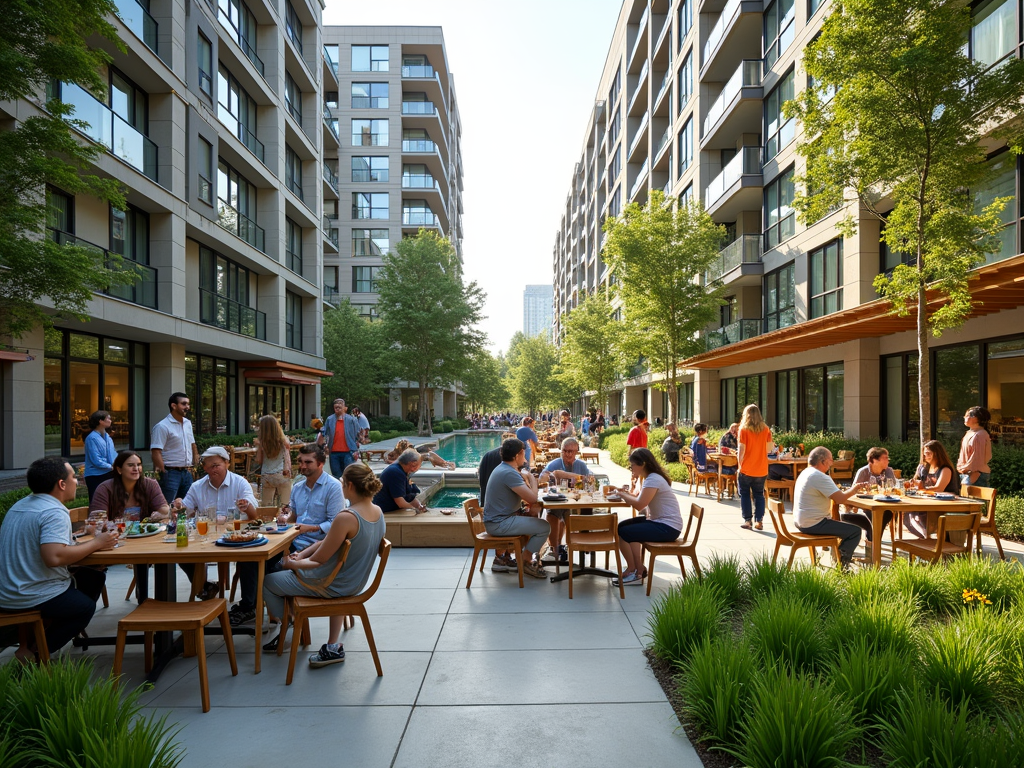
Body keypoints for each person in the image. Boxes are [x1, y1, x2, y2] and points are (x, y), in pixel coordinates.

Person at [263, 462, 386, 667]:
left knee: (268, 580)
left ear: (350, 486)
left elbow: (319, 560)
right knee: (286, 569)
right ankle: (323, 640)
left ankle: (290, 623)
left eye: (343, 483)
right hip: (352, 581)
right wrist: (301, 555)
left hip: (332, 584)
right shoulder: (377, 512)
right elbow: (325, 543)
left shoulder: (346, 517)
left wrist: (291, 564)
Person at [0, 457, 117, 661]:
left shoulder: (20, 505)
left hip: (7, 591)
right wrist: (98, 543)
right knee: (84, 608)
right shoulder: (54, 511)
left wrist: (82, 535)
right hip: (31, 594)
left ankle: (34, 640)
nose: (78, 482)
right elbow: (54, 557)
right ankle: (37, 653)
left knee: (93, 578)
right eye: (74, 477)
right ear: (61, 484)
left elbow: (42, 545)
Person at [237, 444, 345, 629]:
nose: (302, 466)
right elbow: (294, 517)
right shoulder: (298, 486)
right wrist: (285, 518)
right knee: (249, 560)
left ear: (320, 463)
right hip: (292, 542)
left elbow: (336, 524)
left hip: (315, 547)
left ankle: (289, 619)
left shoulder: (333, 487)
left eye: (308, 462)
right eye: (300, 462)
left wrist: (308, 528)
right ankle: (252, 608)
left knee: (267, 571)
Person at [176, 447, 258, 623]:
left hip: (236, 536)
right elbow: (185, 511)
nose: (213, 470)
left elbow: (254, 515)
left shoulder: (239, 482)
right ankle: (204, 586)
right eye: (208, 466)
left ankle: (249, 606)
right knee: (180, 552)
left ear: (227, 463)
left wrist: (246, 506)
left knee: (250, 556)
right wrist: (177, 508)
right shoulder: (197, 486)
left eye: (217, 465)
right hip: (207, 537)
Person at [614, 448, 683, 587]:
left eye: (633, 465)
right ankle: (638, 568)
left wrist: (621, 495)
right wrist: (624, 493)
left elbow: (640, 505)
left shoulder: (653, 479)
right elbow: (639, 499)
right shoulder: (650, 478)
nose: (631, 468)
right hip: (659, 522)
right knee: (622, 527)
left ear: (643, 464)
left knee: (625, 532)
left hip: (667, 527)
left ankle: (635, 570)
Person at [483, 438, 549, 579]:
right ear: (517, 455)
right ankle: (525, 560)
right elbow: (532, 498)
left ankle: (522, 557)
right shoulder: (508, 473)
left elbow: (526, 497)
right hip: (499, 524)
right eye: (524, 454)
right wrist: (531, 477)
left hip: (498, 520)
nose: (525, 457)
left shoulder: (505, 469)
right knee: (544, 527)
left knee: (533, 514)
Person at [794, 448, 868, 568]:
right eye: (831, 460)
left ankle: (838, 559)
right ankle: (841, 565)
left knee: (842, 526)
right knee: (855, 532)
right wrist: (854, 490)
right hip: (813, 524)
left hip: (801, 521)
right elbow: (840, 499)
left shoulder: (806, 472)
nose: (832, 463)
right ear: (823, 461)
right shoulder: (819, 476)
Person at [539, 437, 592, 563]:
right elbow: (541, 480)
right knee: (553, 512)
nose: (568, 454)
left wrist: (564, 475)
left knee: (584, 511)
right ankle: (555, 549)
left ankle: (583, 544)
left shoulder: (581, 465)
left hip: (577, 502)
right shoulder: (554, 464)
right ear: (561, 451)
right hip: (559, 501)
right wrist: (550, 476)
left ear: (576, 452)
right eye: (565, 451)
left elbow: (590, 481)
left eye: (571, 451)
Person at [150, 392, 199, 510]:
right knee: (166, 506)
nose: (187, 407)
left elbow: (192, 443)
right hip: (170, 473)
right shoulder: (162, 426)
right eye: (184, 404)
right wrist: (163, 471)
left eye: (188, 404)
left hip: (186, 473)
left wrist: (195, 464)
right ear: (173, 405)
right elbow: (156, 451)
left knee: (188, 506)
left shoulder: (187, 423)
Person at [905, 440, 961, 539]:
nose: (925, 456)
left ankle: (928, 540)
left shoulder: (945, 469)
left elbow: (939, 488)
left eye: (928, 453)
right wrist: (912, 484)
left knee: (916, 514)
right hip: (929, 502)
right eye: (924, 454)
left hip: (945, 504)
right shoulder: (924, 467)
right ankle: (926, 538)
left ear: (937, 454)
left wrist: (923, 488)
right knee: (907, 516)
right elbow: (916, 481)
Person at [842, 447, 896, 543]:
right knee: (875, 515)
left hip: (883, 504)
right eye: (885, 458)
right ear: (874, 460)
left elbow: (893, 488)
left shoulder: (889, 471)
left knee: (887, 514)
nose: (888, 460)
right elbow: (854, 491)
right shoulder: (863, 472)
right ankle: (874, 542)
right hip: (865, 506)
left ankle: (872, 542)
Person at [478, 446, 516, 573]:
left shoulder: (488, 455)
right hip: (497, 511)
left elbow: (481, 479)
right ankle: (501, 558)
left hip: (486, 502)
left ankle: (505, 557)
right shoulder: (505, 465)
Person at [737, 404, 772, 530]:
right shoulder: (766, 429)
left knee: (745, 494)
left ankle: (747, 521)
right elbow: (769, 449)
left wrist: (739, 465)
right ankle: (759, 521)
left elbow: (741, 450)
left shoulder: (743, 429)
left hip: (746, 468)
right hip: (761, 468)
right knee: (759, 494)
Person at [316, 398, 361, 478]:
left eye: (339, 407)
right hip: (334, 452)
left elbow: (358, 434)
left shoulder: (351, 420)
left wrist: (357, 447)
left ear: (344, 408)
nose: (337, 409)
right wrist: (322, 445)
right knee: (336, 476)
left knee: (349, 475)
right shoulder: (330, 419)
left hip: (349, 452)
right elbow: (324, 432)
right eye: (336, 407)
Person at [255, 414, 292, 507]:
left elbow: (259, 460)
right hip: (281, 474)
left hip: (266, 475)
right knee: (285, 505)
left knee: (266, 506)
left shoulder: (261, 443)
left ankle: (267, 520)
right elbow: (287, 459)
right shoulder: (284, 441)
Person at [374, 449, 426, 513]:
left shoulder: (401, 470)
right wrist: (415, 510)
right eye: (419, 465)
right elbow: (401, 503)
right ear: (413, 464)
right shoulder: (395, 473)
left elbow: (409, 497)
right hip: (385, 512)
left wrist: (419, 506)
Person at [83, 410, 117, 501]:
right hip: (95, 476)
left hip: (109, 473)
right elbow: (96, 459)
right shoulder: (91, 438)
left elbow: (113, 454)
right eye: (108, 418)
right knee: (97, 503)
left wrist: (118, 465)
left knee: (111, 501)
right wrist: (111, 467)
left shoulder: (108, 437)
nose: (110, 420)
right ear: (100, 421)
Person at [957, 406, 992, 489]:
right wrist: (960, 467)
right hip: (966, 474)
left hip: (975, 474)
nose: (965, 418)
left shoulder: (980, 435)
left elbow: (977, 459)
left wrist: (968, 470)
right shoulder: (969, 433)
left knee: (976, 501)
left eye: (968, 415)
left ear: (976, 418)